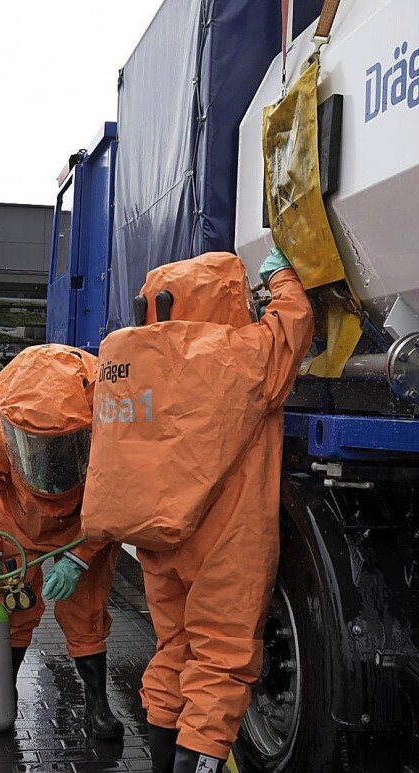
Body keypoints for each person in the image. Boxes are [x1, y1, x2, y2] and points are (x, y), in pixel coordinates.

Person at [80, 251, 314, 772]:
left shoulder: (118, 355)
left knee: (175, 648)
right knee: (222, 661)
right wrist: (280, 276)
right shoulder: (236, 355)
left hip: (157, 535)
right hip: (225, 539)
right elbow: (292, 328)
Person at [0, 343, 123, 739]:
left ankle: (97, 704)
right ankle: (2, 693)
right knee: (9, 609)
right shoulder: (1, 413)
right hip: (19, 518)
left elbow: (117, 494)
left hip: (84, 519)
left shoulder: (107, 410)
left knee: (87, 611)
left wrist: (81, 556)